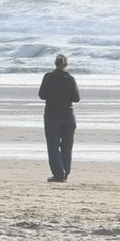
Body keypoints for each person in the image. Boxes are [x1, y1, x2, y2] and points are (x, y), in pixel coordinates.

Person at [39, 53, 80, 183]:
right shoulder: (70, 79)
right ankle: (65, 172)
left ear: (55, 64)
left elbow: (42, 95)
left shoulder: (48, 77)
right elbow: (76, 98)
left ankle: (58, 173)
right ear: (66, 65)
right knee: (67, 146)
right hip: (68, 115)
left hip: (52, 115)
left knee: (53, 146)